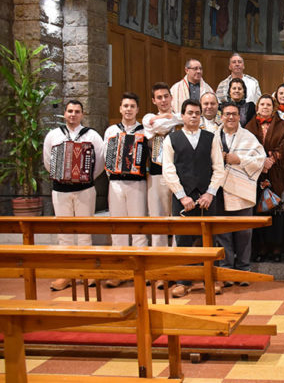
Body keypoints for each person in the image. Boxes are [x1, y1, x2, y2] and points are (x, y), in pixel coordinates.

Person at [162, 99, 225, 298]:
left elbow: (219, 168)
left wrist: (210, 193)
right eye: (190, 113)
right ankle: (183, 282)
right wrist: (182, 196)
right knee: (183, 239)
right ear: (182, 115)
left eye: (197, 113)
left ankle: (211, 279)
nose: (194, 116)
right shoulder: (172, 139)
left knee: (209, 239)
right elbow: (168, 170)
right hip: (182, 198)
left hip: (207, 197)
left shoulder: (211, 137)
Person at [43, 100, 105, 291]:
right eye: (70, 111)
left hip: (85, 190)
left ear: (82, 114)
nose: (73, 114)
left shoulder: (92, 135)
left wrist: (84, 178)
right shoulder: (53, 135)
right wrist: (64, 177)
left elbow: (100, 162)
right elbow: (48, 161)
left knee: (85, 231)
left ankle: (87, 272)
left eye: (77, 111)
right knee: (64, 234)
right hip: (60, 190)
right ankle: (67, 274)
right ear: (64, 113)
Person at [216, 102, 265, 286]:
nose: (230, 117)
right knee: (223, 233)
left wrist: (239, 159)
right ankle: (227, 271)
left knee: (244, 233)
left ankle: (244, 270)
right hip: (220, 190)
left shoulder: (248, 137)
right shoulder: (214, 136)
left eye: (234, 114)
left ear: (239, 116)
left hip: (241, 190)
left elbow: (260, 159)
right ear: (221, 116)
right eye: (227, 114)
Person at [103, 92, 148, 288]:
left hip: (137, 183)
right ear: (120, 109)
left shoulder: (144, 130)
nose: (128, 109)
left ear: (137, 110)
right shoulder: (111, 131)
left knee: (139, 227)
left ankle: (139, 270)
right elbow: (105, 156)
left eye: (132, 106)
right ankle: (120, 271)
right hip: (116, 183)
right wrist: (113, 175)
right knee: (118, 227)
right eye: (125, 106)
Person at [247, 95, 284, 262]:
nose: (265, 107)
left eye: (268, 104)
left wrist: (271, 159)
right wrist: (261, 162)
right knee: (259, 210)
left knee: (276, 210)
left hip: (277, 172)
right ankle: (261, 247)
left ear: (274, 108)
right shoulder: (249, 126)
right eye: (262, 104)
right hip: (256, 174)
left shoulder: (282, 125)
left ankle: (276, 248)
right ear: (257, 107)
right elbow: (246, 147)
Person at [142, 82, 182, 248]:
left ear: (171, 98)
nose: (163, 100)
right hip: (157, 173)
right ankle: (158, 255)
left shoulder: (180, 116)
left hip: (179, 173)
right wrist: (169, 119)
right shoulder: (148, 118)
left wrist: (167, 119)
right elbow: (157, 127)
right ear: (154, 100)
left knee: (178, 217)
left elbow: (161, 125)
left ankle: (178, 255)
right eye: (159, 97)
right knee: (157, 217)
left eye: (166, 96)